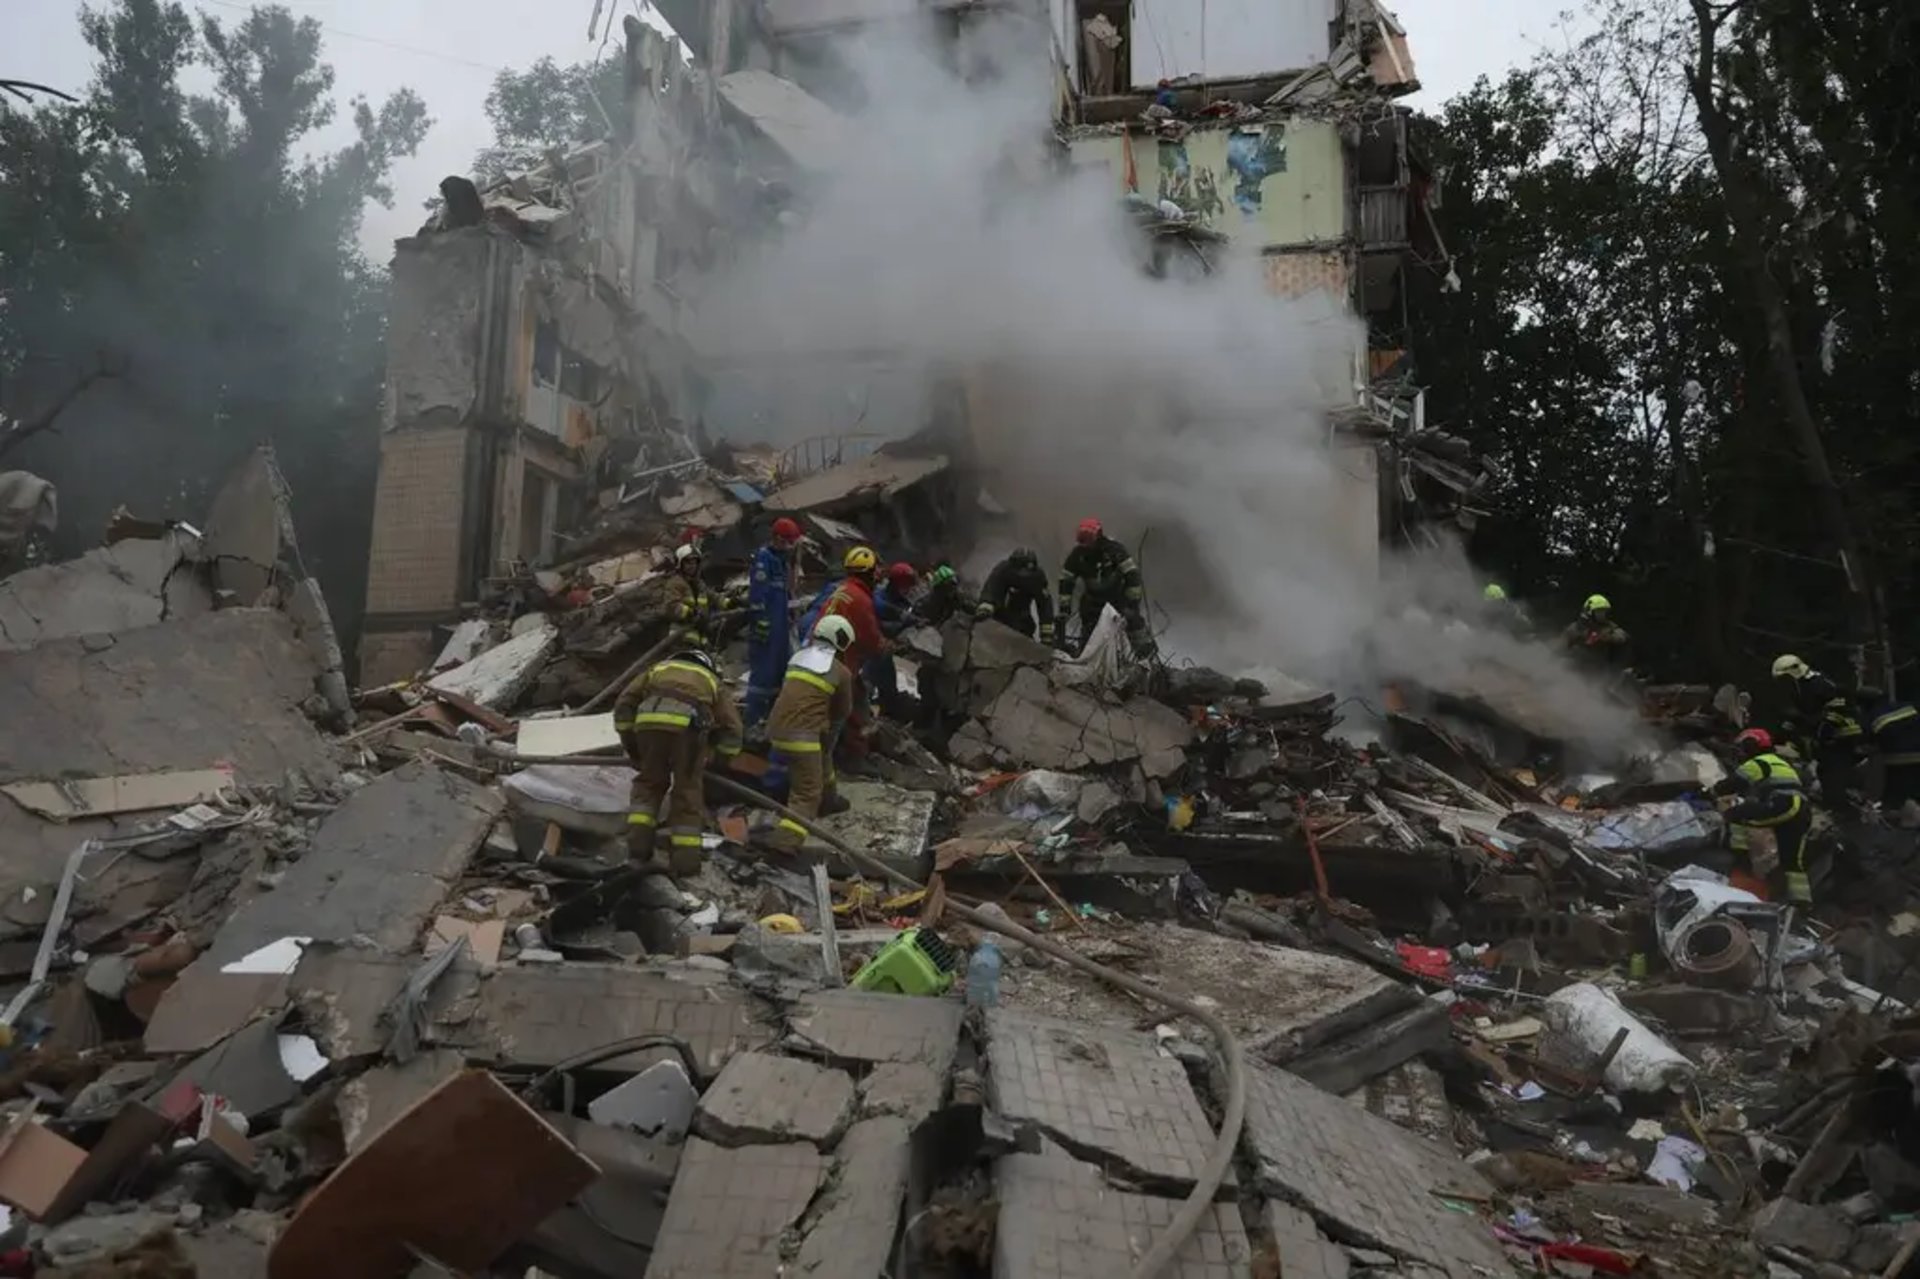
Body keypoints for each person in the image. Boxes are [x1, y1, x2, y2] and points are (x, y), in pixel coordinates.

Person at [611, 648, 743, 874]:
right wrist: (719, 761)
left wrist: (634, 749)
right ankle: (685, 864)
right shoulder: (711, 680)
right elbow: (733, 728)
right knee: (686, 793)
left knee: (649, 785)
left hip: (648, 726)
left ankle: (637, 851)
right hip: (688, 732)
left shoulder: (657, 669)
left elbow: (623, 705)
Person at [764, 616, 857, 850]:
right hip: (802, 736)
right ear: (841, 642)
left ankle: (829, 800)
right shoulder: (841, 672)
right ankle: (784, 844)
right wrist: (829, 727)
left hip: (775, 728)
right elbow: (843, 711)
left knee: (822, 756)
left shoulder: (797, 659)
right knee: (806, 793)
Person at [1711, 727, 1813, 903]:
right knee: (1792, 861)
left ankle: (1740, 859)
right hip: (1802, 811)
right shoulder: (1780, 762)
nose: (1741, 752)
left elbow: (1732, 784)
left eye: (1744, 746)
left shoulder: (1758, 762)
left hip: (1784, 805)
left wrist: (1709, 792)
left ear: (1752, 745)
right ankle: (1801, 904)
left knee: (1736, 814)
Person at [817, 546, 887, 763]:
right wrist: (886, 646)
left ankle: (834, 751)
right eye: (875, 571)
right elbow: (871, 640)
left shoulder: (841, 590)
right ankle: (855, 757)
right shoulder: (860, 599)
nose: (878, 576)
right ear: (868, 573)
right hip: (841, 663)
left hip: (819, 657)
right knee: (856, 709)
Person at [1771, 654, 1870, 805]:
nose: (1783, 683)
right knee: (1826, 771)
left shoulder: (1818, 683)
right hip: (1826, 736)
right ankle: (1838, 804)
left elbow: (1835, 710)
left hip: (1840, 735)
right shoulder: (1800, 686)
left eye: (1785, 678)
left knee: (1833, 773)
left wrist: (1820, 732)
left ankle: (1843, 809)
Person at [1059, 518, 1154, 657]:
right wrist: (1064, 608)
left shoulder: (1115, 550)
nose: (1085, 543)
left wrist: (1132, 604)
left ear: (1098, 536)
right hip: (1092, 601)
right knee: (1089, 633)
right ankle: (1087, 657)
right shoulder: (1078, 555)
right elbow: (1066, 580)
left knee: (1134, 623)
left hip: (1117, 598)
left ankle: (1148, 657)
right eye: (1082, 538)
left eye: (1088, 538)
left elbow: (1132, 575)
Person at [744, 517, 803, 727]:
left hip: (780, 629)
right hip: (766, 629)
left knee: (779, 674)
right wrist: (761, 622)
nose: (790, 546)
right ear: (777, 538)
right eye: (788, 541)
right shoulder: (764, 559)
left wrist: (793, 613)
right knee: (763, 675)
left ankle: (771, 721)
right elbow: (757, 596)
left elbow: (787, 593)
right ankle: (751, 722)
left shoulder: (782, 561)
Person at [868, 563, 918, 718]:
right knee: (867, 681)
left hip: (885, 651)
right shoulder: (878, 598)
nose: (909, 590)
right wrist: (902, 622)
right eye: (906, 586)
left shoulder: (903, 602)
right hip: (871, 648)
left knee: (888, 684)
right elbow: (878, 624)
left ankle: (888, 711)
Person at [977, 547, 1056, 644]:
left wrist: (1047, 634)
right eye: (1022, 571)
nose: (1024, 575)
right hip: (999, 617)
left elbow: (1045, 605)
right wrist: (985, 610)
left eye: (1028, 572)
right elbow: (991, 589)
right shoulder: (1003, 570)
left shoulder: (1037, 576)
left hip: (1022, 621)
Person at [664, 543, 735, 647]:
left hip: (700, 635)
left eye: (695, 562)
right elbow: (671, 606)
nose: (692, 566)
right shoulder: (675, 583)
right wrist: (691, 613)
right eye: (688, 562)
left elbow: (713, 597)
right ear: (680, 564)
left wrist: (730, 603)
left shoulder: (699, 584)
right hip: (681, 637)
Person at [1561, 594, 1629, 672]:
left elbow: (1622, 636)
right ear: (1589, 612)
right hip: (1578, 667)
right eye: (1599, 612)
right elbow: (1560, 648)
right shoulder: (1576, 628)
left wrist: (1605, 637)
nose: (1603, 615)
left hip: (1601, 667)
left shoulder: (1608, 626)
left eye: (1605, 612)